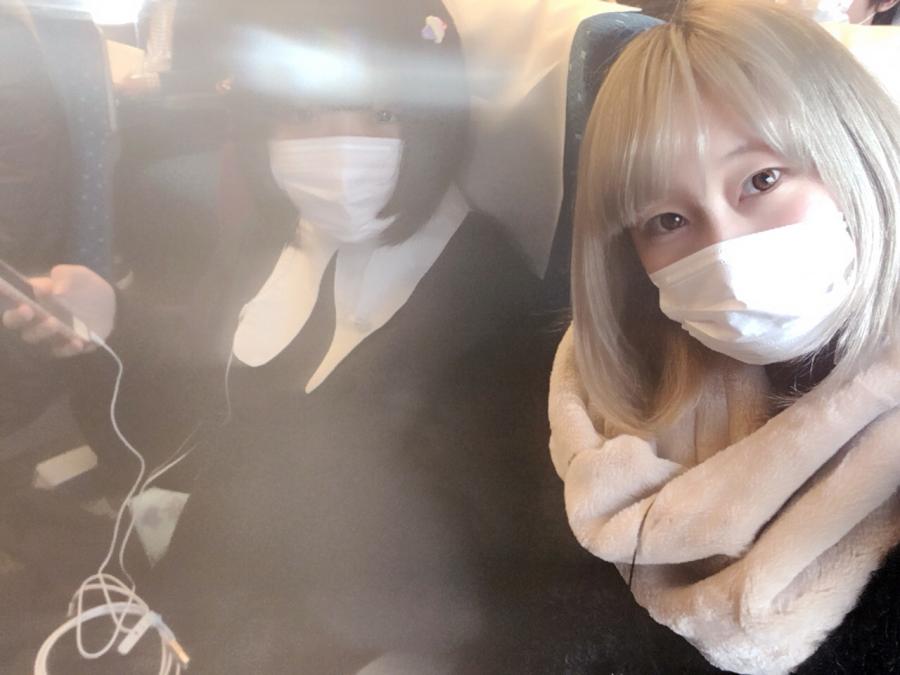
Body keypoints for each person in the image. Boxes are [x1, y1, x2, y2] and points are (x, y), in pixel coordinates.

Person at [3, 1, 577, 672]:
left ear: (431, 118)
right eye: (300, 112)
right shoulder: (274, 235)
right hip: (193, 582)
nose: (338, 146)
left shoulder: (487, 291)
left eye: (380, 112)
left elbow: (474, 572)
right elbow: (193, 397)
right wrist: (111, 324)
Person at [549, 1, 900, 674]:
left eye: (762, 180)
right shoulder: (607, 393)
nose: (727, 252)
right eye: (667, 219)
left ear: (853, 153)